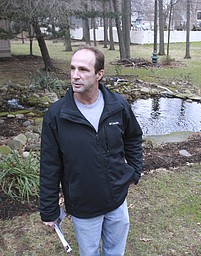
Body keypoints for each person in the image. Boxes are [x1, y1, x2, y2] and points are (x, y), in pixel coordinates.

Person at [39, 45, 143, 256]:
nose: (75, 76)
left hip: (117, 200)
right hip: (83, 206)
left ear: (99, 74)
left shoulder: (118, 106)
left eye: (84, 70)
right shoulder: (57, 115)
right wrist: (49, 209)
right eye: (73, 68)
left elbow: (133, 137)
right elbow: (50, 165)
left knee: (115, 252)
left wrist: (134, 171)